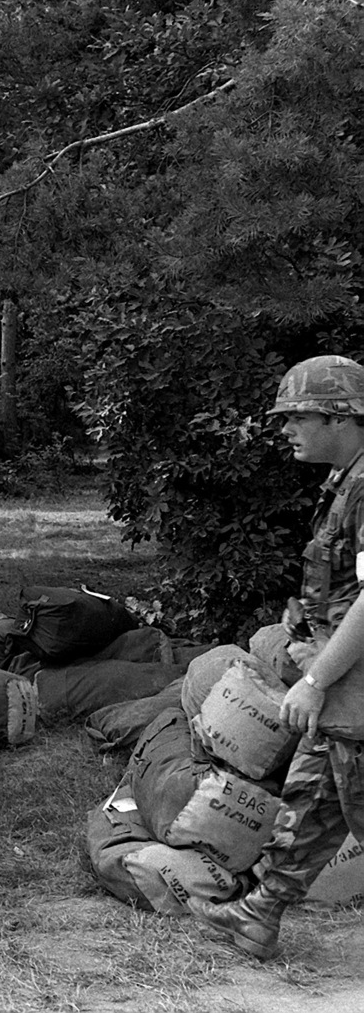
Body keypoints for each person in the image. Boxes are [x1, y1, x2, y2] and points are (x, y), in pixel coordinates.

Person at [189, 354, 364, 960]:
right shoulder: (346, 482)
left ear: (339, 417)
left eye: (296, 417)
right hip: (344, 688)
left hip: (353, 688)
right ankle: (257, 915)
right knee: (311, 799)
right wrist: (306, 617)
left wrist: (315, 678)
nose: (285, 428)